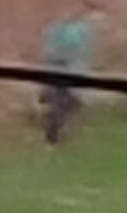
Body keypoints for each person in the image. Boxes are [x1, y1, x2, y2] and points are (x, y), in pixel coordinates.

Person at [37, 11, 94, 146]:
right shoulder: (76, 32)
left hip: (61, 68)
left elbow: (48, 53)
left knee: (65, 101)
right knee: (69, 102)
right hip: (66, 69)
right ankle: (52, 129)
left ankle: (51, 129)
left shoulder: (56, 31)